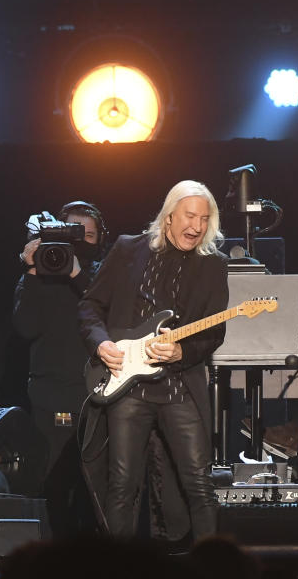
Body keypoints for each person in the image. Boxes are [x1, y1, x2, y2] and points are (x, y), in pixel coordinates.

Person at [77, 179, 228, 542]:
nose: (197, 226)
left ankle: (212, 567)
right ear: (169, 216)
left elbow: (213, 333)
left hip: (179, 388)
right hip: (128, 388)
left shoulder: (213, 265)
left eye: (205, 219)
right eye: (190, 216)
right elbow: (90, 306)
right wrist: (101, 344)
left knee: (199, 485)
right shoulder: (129, 249)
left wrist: (182, 351)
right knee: (122, 486)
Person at [12, 201, 107, 534]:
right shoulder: (38, 277)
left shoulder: (103, 275)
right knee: (53, 484)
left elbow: (112, 318)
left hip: (99, 393)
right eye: (72, 233)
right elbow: (24, 328)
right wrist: (33, 271)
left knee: (95, 487)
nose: (79, 242)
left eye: (88, 235)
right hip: (51, 394)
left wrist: (78, 274)